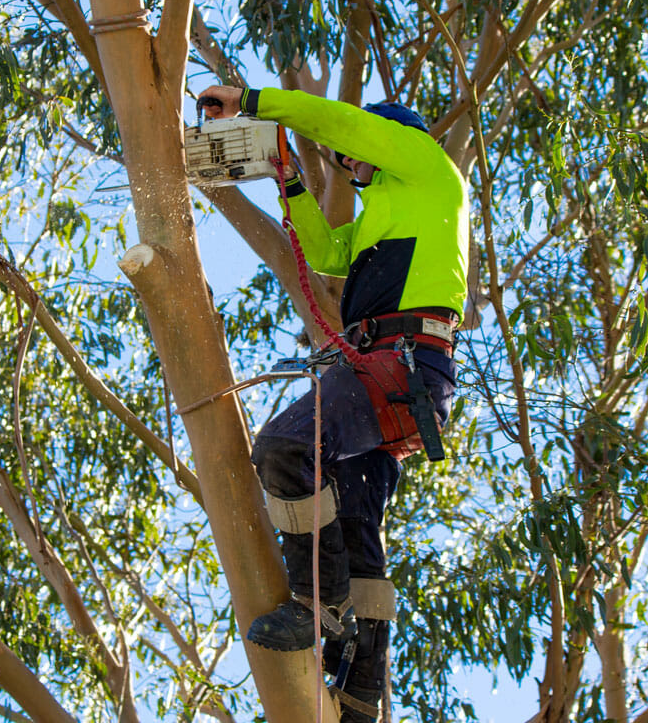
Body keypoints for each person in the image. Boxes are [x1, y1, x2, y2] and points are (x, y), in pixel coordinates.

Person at [198, 86, 469, 722]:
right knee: (354, 527)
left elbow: (338, 121)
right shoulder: (388, 210)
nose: (349, 165)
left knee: (286, 446)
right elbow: (324, 252)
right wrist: (289, 181)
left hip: (401, 363)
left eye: (354, 155)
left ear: (386, 139)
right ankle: (358, 699)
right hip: (392, 371)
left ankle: (317, 603)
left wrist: (255, 101)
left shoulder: (426, 164)